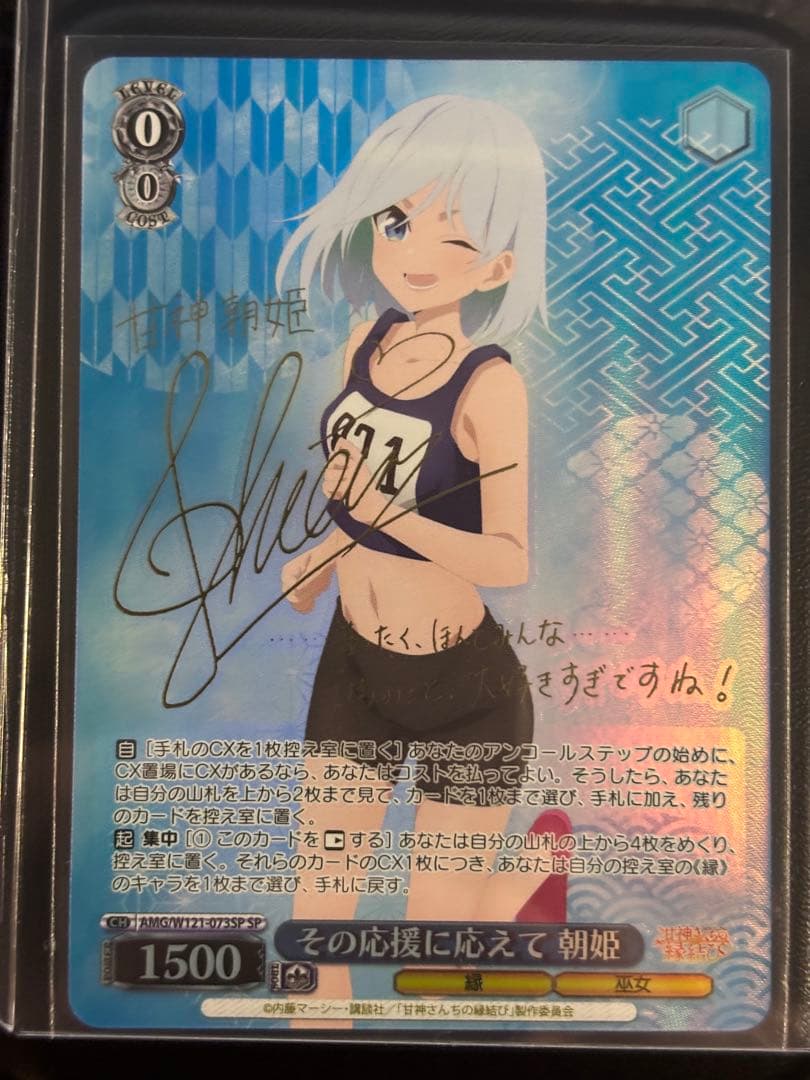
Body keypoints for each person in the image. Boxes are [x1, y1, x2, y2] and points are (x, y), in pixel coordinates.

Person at [276, 94, 551, 1024]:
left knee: (430, 956)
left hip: (467, 692)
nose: (414, 253)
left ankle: (524, 878)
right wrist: (324, 555)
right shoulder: (367, 343)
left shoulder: (490, 384)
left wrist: (392, 515)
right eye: (397, 220)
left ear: (499, 264)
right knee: (317, 938)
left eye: (455, 236)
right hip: (357, 666)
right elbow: (360, 502)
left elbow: (508, 558)